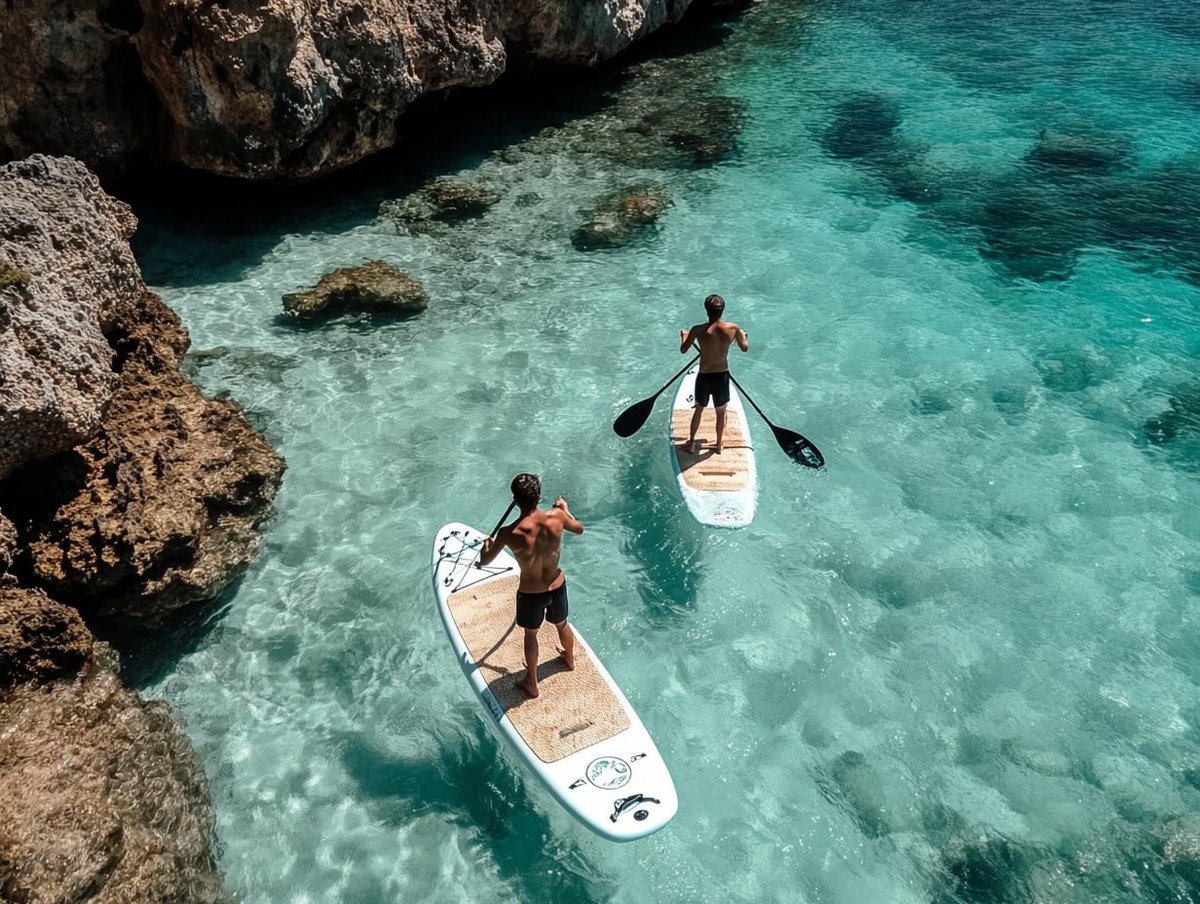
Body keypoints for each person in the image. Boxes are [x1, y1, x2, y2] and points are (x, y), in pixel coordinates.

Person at [479, 473, 584, 699]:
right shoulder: (556, 517)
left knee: (531, 635)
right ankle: (569, 658)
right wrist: (564, 509)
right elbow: (579, 528)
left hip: (531, 594)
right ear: (538, 497)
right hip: (556, 585)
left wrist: (485, 548)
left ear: (515, 501)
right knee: (562, 624)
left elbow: (486, 561)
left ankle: (532, 683)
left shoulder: (509, 533)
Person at [679, 293, 749, 454]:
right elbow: (744, 348)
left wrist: (684, 337)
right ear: (722, 310)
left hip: (704, 375)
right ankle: (718, 444)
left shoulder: (697, 330)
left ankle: (691, 443)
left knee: (699, 408)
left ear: (706, 310)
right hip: (721, 376)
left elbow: (683, 350)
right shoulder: (733, 328)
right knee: (721, 411)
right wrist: (744, 337)